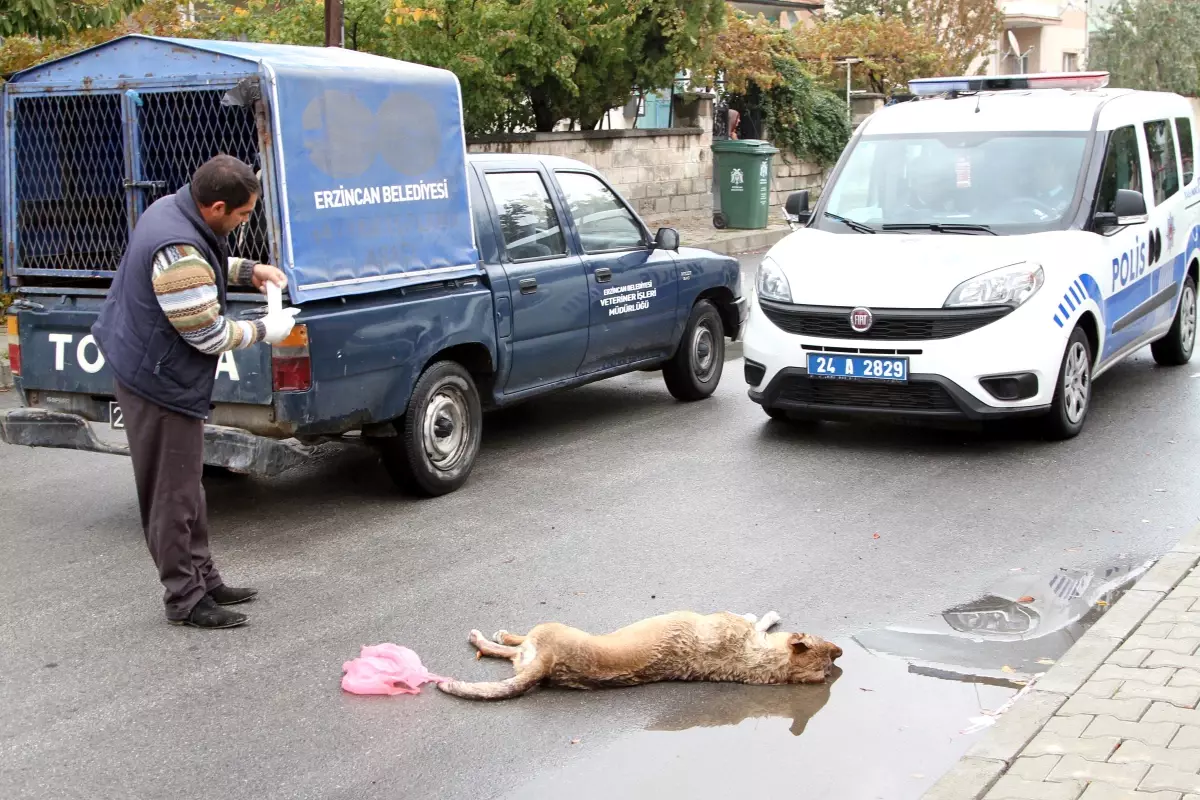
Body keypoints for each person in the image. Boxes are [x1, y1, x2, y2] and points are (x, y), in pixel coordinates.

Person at [93, 155, 297, 629]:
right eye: (244, 214)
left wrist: (251, 272)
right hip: (157, 382)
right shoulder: (178, 246)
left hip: (158, 369)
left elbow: (204, 264)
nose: (246, 220)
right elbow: (206, 334)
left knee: (188, 489)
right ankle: (185, 599)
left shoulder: (174, 209)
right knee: (171, 495)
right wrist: (266, 329)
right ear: (217, 206)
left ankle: (205, 578)